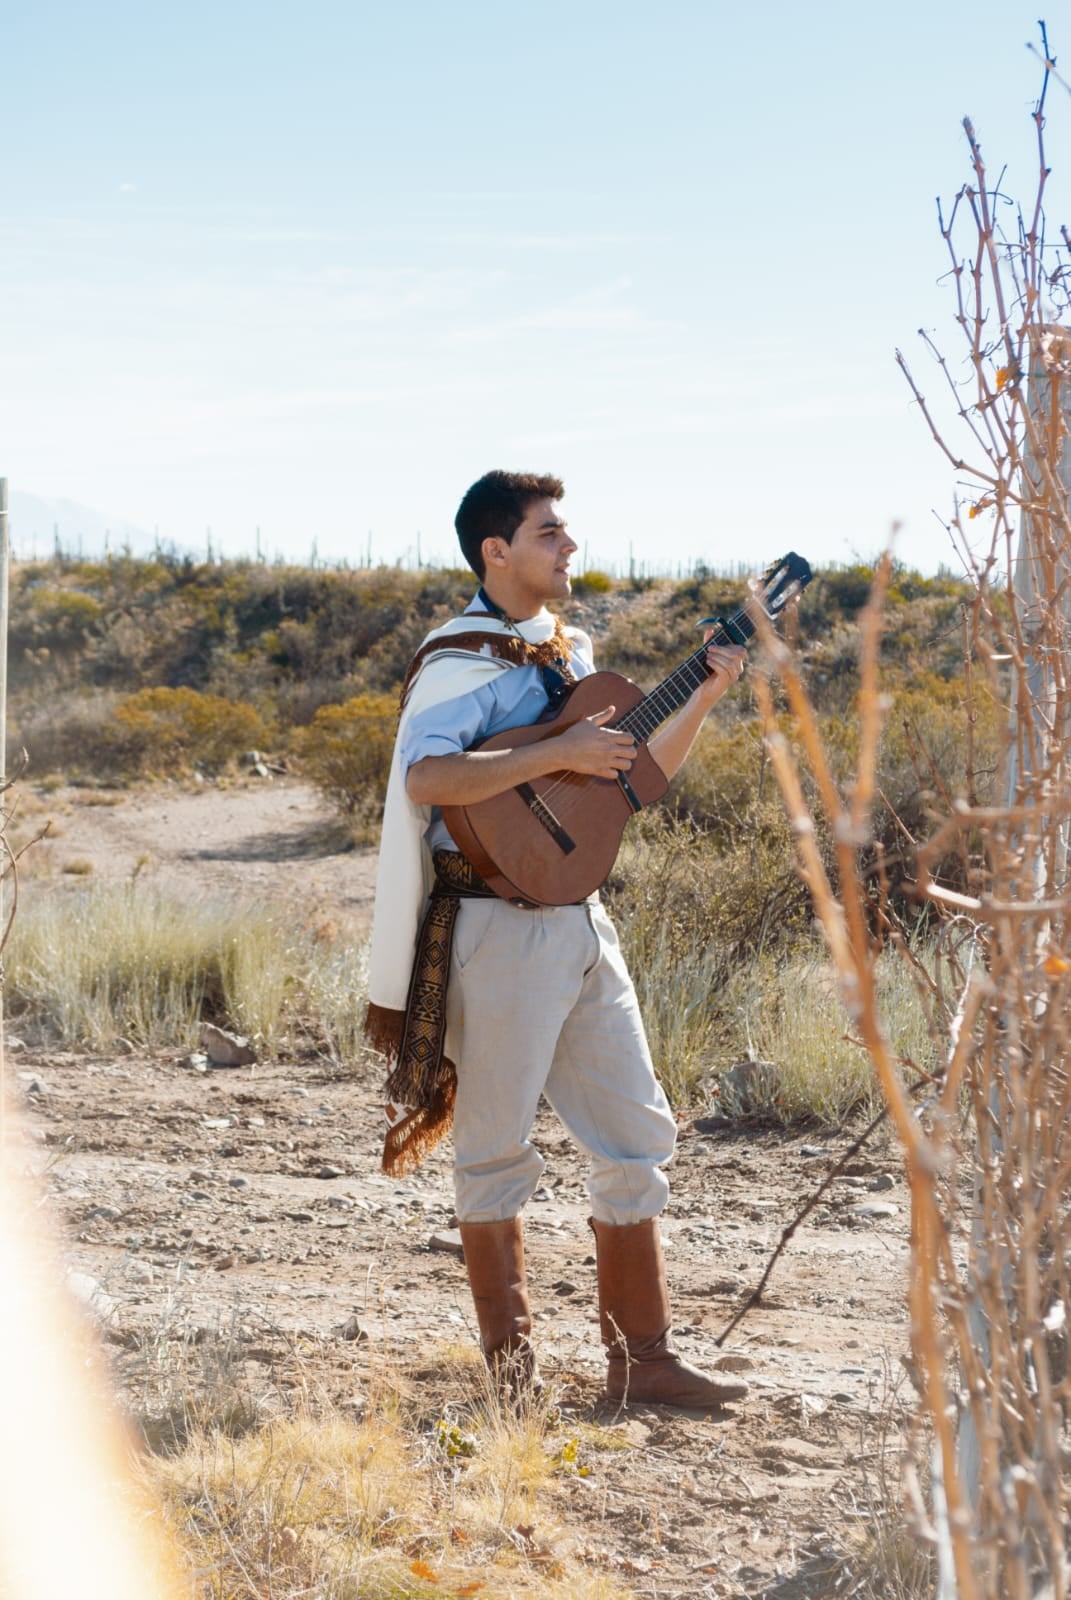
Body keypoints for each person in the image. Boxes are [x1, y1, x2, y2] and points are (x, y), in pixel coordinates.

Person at [364, 469, 749, 1410]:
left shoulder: (566, 656)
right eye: (548, 533)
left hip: (580, 924)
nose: (568, 547)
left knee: (633, 1137)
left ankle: (642, 1363)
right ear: (496, 551)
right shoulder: (461, 658)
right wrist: (555, 754)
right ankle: (512, 1379)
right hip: (494, 932)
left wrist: (705, 689)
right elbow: (427, 779)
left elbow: (638, 778)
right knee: (494, 1151)